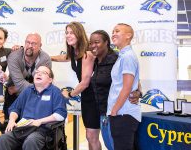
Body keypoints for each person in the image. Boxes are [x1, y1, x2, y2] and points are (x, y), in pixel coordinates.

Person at [89, 30, 142, 150]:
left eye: (97, 42)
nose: (93, 46)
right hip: (104, 112)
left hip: (117, 112)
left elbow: (133, 80)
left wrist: (139, 92)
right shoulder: (93, 60)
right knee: (110, 146)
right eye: (90, 43)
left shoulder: (117, 58)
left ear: (106, 43)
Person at [51, 21, 100, 150]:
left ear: (79, 34)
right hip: (87, 98)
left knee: (92, 136)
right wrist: (46, 56)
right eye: (67, 33)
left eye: (72, 33)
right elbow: (64, 57)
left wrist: (70, 94)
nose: (68, 35)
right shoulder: (75, 53)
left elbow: (85, 82)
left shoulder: (86, 54)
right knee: (90, 137)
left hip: (95, 98)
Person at [0, 65, 67, 150]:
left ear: (50, 80)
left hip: (42, 130)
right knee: (3, 139)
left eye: (43, 73)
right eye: (37, 72)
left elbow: (60, 114)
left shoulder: (55, 92)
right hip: (23, 128)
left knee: (31, 141)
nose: (38, 74)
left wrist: (39, 121)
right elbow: (15, 108)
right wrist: (12, 120)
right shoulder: (28, 90)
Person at [107, 23, 141, 150]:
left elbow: (127, 87)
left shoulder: (127, 57)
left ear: (128, 36)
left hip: (123, 114)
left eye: (117, 31)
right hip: (122, 113)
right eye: (113, 31)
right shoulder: (123, 56)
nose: (113, 34)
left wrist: (115, 110)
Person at [4, 33, 51, 118]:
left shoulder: (45, 59)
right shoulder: (14, 57)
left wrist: (16, 88)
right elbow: (20, 84)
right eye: (27, 42)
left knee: (34, 127)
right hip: (14, 97)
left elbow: (44, 84)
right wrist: (36, 87)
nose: (29, 46)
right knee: (11, 126)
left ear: (40, 45)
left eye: (33, 43)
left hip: (36, 98)